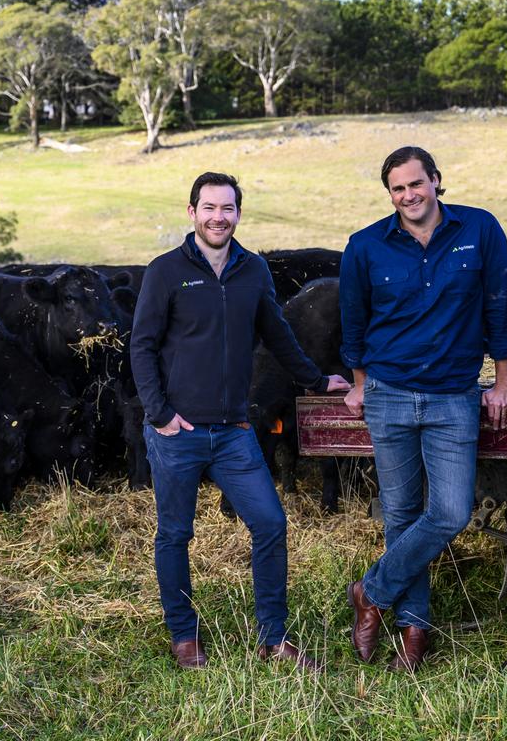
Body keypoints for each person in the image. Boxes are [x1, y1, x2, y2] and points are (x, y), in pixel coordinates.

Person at [130, 171, 350, 672]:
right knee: (174, 534)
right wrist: (160, 414)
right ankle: (184, 636)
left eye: (227, 208)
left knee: (270, 523)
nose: (218, 217)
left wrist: (318, 381)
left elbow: (277, 333)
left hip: (233, 431)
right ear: (192, 213)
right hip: (177, 432)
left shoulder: (252, 271)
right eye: (209, 207)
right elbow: (141, 345)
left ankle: (273, 638)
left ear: (238, 214)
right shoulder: (166, 271)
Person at [340, 146, 507, 672]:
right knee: (400, 515)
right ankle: (413, 630)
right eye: (397, 189)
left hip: (453, 396)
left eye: (416, 184)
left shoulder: (480, 230)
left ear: (437, 181)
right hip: (389, 394)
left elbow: (500, 307)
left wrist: (503, 379)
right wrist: (360, 385)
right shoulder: (365, 246)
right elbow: (355, 326)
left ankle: (370, 591)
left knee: (451, 512)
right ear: (389, 194)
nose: (409, 196)